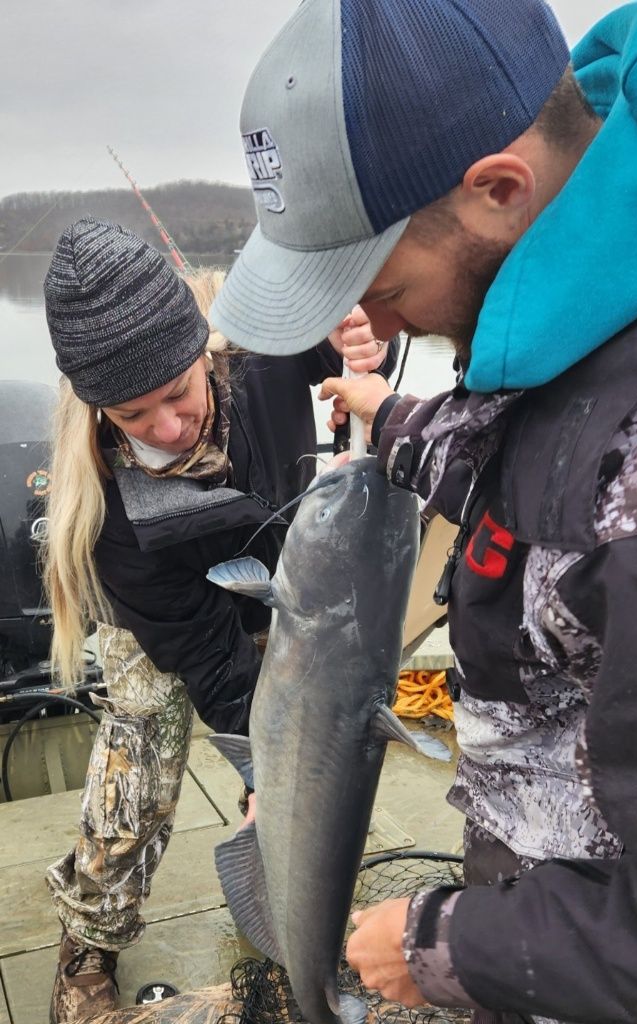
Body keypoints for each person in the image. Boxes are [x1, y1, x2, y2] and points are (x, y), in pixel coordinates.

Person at [208, 0, 637, 1021]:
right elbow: (560, 458)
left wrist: (440, 946)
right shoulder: (600, 276)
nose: (374, 325)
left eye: (381, 284)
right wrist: (395, 423)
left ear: (498, 189)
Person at [42, 217, 397, 1023]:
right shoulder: (110, 514)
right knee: (141, 755)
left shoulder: (263, 355)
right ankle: (88, 938)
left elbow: (349, 358)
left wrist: (364, 337)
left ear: (203, 353)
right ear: (99, 411)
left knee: (324, 750)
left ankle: (280, 875)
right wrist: (265, 762)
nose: (168, 428)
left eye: (178, 393)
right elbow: (207, 656)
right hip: (168, 622)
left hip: (285, 582)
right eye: (133, 415)